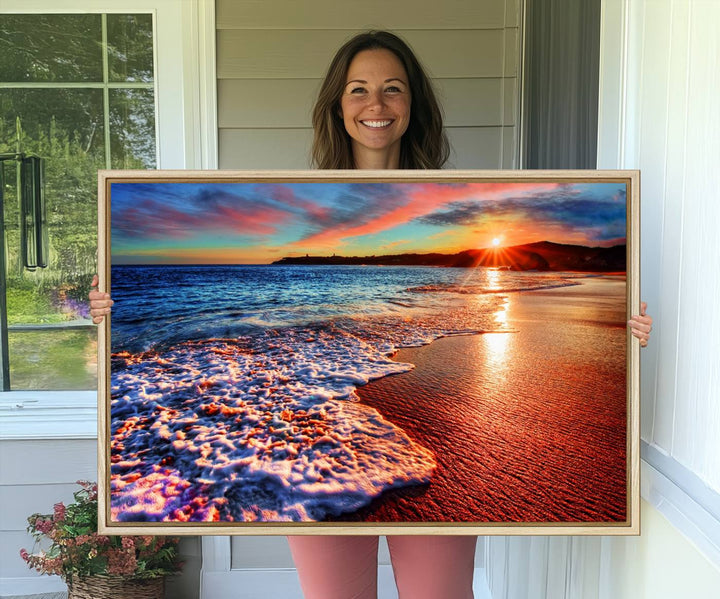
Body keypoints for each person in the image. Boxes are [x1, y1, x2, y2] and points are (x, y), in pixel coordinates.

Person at [90, 30, 653, 599]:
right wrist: (107, 309)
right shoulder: (298, 192)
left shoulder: (465, 190)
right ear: (338, 105)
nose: (376, 105)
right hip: (306, 438)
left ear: (413, 105)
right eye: (358, 90)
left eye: (393, 89)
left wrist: (631, 326)